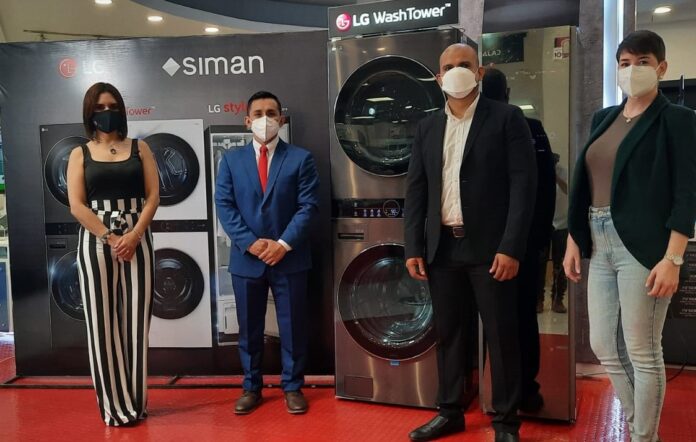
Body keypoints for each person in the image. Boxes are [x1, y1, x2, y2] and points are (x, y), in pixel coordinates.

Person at [564, 30, 696, 442]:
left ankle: (642, 436)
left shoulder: (678, 120)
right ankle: (643, 427)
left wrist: (673, 258)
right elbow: (587, 182)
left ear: (661, 67)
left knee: (643, 349)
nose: (632, 70)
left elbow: (687, 192)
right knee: (603, 344)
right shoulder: (603, 118)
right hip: (598, 237)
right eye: (624, 63)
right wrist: (574, 237)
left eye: (642, 62)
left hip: (644, 245)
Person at [405, 44, 537, 442]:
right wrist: (413, 247)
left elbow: (524, 186)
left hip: (492, 250)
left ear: (480, 72)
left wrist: (511, 246)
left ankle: (506, 422)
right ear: (437, 76)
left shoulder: (507, 118)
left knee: (501, 335)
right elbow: (416, 190)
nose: (456, 71)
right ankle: (449, 411)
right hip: (442, 248)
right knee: (449, 335)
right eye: (448, 66)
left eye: (464, 64)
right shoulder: (427, 127)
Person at [215, 91, 319, 415]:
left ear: (281, 119)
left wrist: (282, 244)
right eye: (258, 113)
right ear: (247, 121)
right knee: (249, 330)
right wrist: (251, 243)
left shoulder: (301, 158)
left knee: (293, 327)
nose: (265, 119)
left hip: (290, 257)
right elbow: (225, 205)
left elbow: (308, 206)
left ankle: (293, 387)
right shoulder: (231, 160)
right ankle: (251, 387)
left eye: (271, 113)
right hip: (247, 259)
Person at [66, 82, 160, 426]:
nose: (107, 112)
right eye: (100, 107)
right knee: (101, 325)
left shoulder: (140, 148)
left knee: (137, 324)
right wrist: (109, 236)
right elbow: (77, 205)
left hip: (138, 238)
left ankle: (136, 402)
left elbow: (153, 197)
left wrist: (133, 235)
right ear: (90, 113)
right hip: (96, 241)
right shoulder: (80, 153)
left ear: (121, 110)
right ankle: (114, 408)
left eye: (113, 106)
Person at [481, 67, 556, 413]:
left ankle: (493, 389)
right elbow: (545, 188)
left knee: (491, 319)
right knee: (523, 315)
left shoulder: (520, 127)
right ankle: (525, 389)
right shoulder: (532, 127)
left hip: (487, 244)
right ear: (508, 94)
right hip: (525, 241)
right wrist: (539, 237)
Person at [548, 153, 568, 313]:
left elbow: (569, 190)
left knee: (560, 263)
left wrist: (556, 178)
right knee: (540, 262)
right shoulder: (538, 171)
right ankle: (538, 299)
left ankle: (558, 298)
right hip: (544, 223)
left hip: (562, 223)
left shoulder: (564, 172)